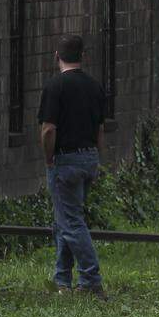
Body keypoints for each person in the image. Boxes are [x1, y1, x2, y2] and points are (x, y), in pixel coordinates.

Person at [37, 35, 107, 298]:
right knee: (66, 219)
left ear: (57, 56)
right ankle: (62, 280)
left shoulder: (55, 87)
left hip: (64, 161)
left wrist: (49, 158)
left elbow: (48, 130)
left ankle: (91, 280)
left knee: (71, 223)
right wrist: (97, 159)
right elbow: (100, 129)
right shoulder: (95, 87)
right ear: (82, 56)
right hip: (89, 158)